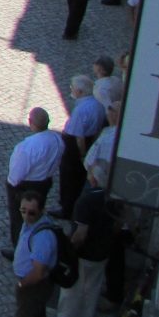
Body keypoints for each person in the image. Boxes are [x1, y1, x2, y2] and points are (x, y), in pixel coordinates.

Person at [50, 162, 113, 317]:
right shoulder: (113, 197)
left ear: (93, 179)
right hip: (103, 251)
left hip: (85, 253)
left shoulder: (86, 200)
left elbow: (80, 234)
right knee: (93, 287)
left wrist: (69, 250)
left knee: (72, 289)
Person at [4, 107, 62, 251]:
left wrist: (11, 186)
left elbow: (16, 175)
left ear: (30, 122)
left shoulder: (26, 147)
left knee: (19, 218)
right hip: (45, 182)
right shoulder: (57, 139)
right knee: (37, 212)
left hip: (26, 186)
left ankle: (19, 249)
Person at [57, 74, 106, 218]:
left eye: (73, 88)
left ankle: (67, 209)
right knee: (78, 178)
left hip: (74, 149)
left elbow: (79, 138)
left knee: (68, 178)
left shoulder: (80, 110)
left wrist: (82, 155)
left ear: (80, 92)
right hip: (91, 139)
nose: (71, 90)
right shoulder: (97, 104)